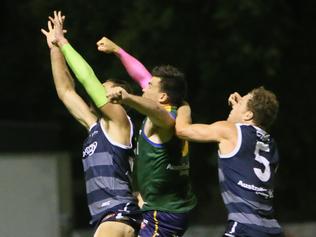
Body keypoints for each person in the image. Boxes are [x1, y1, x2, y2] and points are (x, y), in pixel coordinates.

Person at [41, 11, 141, 237]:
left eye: (104, 86)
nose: (99, 89)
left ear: (120, 95)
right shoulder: (96, 127)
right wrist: (55, 47)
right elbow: (65, 91)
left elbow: (87, 80)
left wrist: (66, 43)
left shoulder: (120, 121)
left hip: (118, 214)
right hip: (110, 217)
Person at [99, 37, 197, 237]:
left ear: (162, 97)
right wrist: (117, 50)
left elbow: (156, 111)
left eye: (150, 86)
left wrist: (127, 97)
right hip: (166, 207)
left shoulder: (163, 119)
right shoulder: (176, 107)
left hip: (164, 214)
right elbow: (141, 74)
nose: (144, 86)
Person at [175, 87, 283, 237]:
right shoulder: (272, 145)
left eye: (240, 103)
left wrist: (181, 104)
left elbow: (182, 130)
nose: (235, 103)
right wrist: (240, 108)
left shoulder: (229, 130)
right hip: (272, 229)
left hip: (244, 228)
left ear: (248, 115)